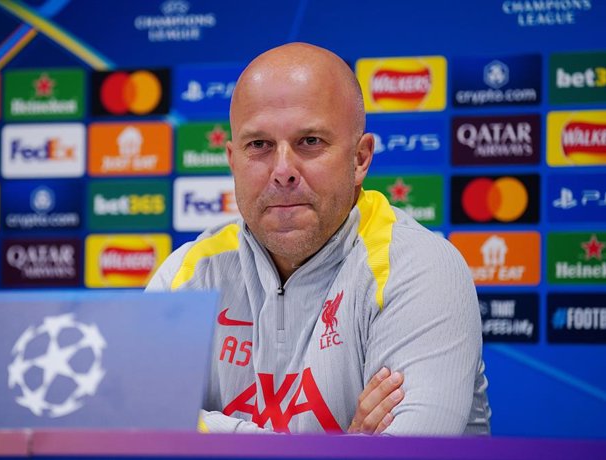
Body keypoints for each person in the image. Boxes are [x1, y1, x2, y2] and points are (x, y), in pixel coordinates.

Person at [147, 42, 491, 435]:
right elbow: (136, 426)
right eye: (258, 145)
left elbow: (408, 456)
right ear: (232, 160)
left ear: (360, 159)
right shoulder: (187, 274)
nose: (282, 170)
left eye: (310, 142)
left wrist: (203, 431)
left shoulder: (419, 269)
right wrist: (343, 447)